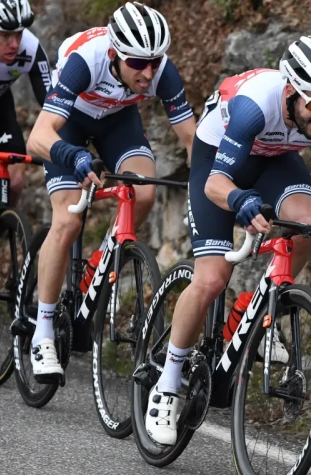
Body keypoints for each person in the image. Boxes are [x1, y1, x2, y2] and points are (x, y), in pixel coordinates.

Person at [143, 35, 311, 445]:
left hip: (273, 161)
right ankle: (168, 383)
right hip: (219, 165)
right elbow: (216, 184)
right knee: (211, 279)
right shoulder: (252, 106)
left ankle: (262, 305)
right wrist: (239, 199)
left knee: (308, 221)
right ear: (291, 93)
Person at [25, 2, 196, 384]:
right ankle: (43, 329)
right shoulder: (85, 61)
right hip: (68, 124)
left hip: (118, 122)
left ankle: (99, 267)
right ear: (115, 54)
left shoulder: (160, 72)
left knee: (144, 192)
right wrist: (73, 156)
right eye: (139, 63)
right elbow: (39, 136)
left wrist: (208, 190)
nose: (148, 72)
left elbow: (191, 139)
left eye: (155, 62)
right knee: (68, 219)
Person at [0, 0, 51, 205]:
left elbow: (52, 102)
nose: (14, 44)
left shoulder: (30, 49)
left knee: (14, 181)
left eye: (19, 34)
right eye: (5, 35)